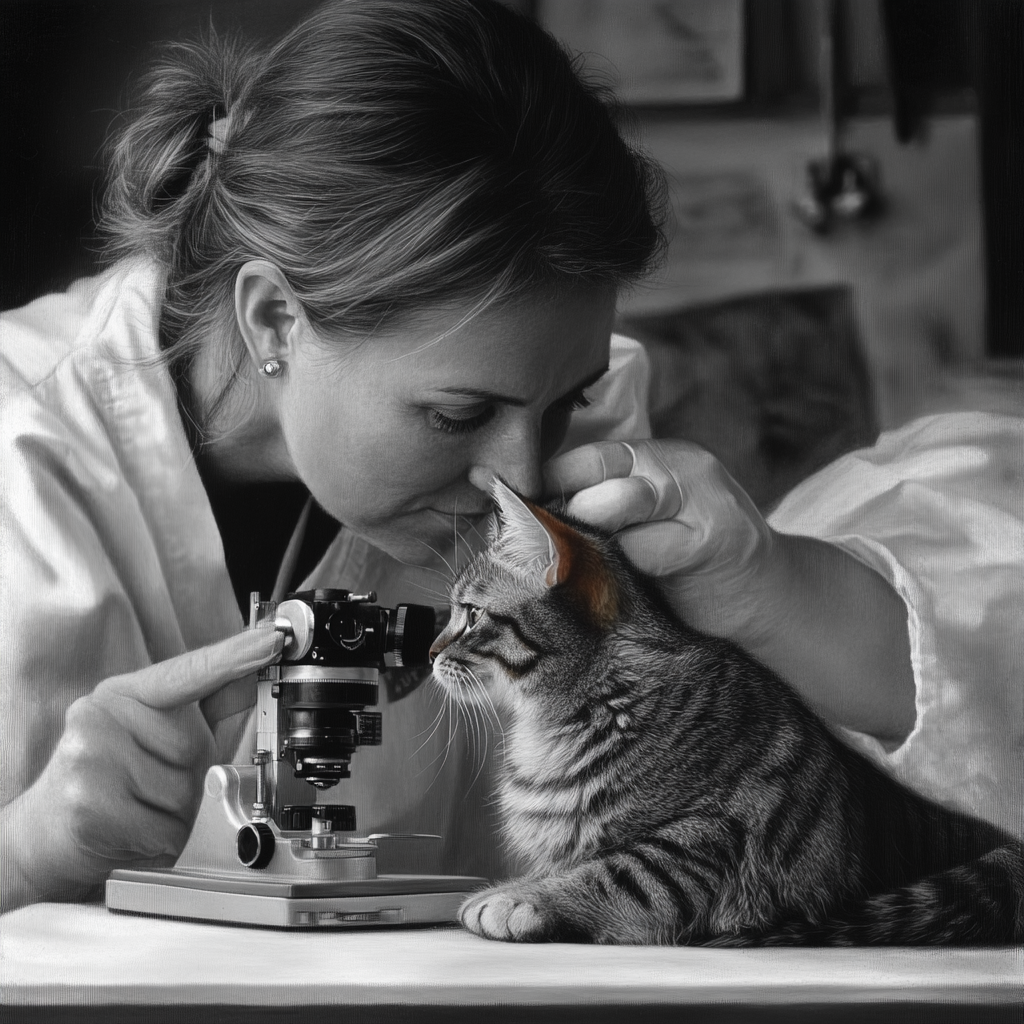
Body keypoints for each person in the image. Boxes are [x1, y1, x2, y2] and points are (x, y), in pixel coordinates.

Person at [1, 0, 1020, 914]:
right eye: (456, 414)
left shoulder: (578, 455)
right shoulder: (22, 457)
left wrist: (780, 589)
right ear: (273, 316)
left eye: (563, 398)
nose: (523, 480)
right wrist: (25, 850)